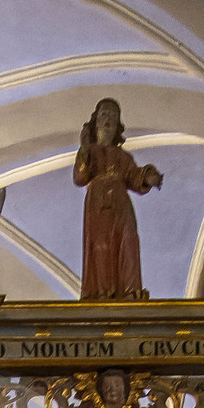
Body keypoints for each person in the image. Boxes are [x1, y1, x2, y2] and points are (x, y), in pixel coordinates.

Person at [73, 97, 162, 300]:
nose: (108, 120)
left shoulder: (124, 157)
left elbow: (133, 177)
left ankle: (130, 290)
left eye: (113, 117)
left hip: (121, 204)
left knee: (128, 240)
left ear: (117, 127)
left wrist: (147, 177)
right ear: (95, 124)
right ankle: (103, 292)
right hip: (98, 204)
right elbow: (80, 178)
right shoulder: (91, 152)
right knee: (100, 245)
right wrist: (84, 150)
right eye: (104, 115)